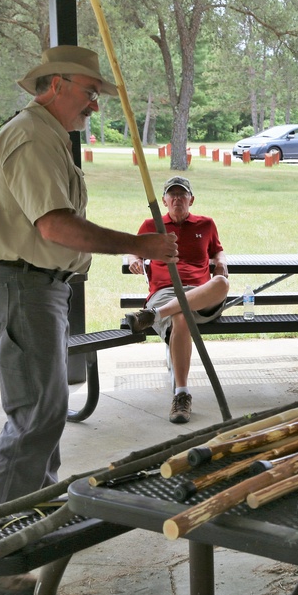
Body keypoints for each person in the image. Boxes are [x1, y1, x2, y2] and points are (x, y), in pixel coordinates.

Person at [0, 46, 178, 595]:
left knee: (46, 415)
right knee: (36, 417)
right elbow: (57, 227)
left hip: (39, 290)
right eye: (89, 92)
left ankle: (30, 526)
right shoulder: (33, 137)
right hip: (23, 287)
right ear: (55, 84)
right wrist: (140, 245)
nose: (94, 105)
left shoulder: (50, 138)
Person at [124, 176, 229, 424]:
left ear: (191, 199)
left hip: (200, 293)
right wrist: (134, 260)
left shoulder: (206, 224)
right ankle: (181, 395)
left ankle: (154, 316)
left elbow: (217, 249)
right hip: (165, 292)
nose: (177, 199)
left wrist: (221, 260)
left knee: (222, 284)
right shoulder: (152, 224)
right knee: (181, 318)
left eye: (182, 195)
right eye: (172, 195)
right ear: (164, 201)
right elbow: (132, 249)